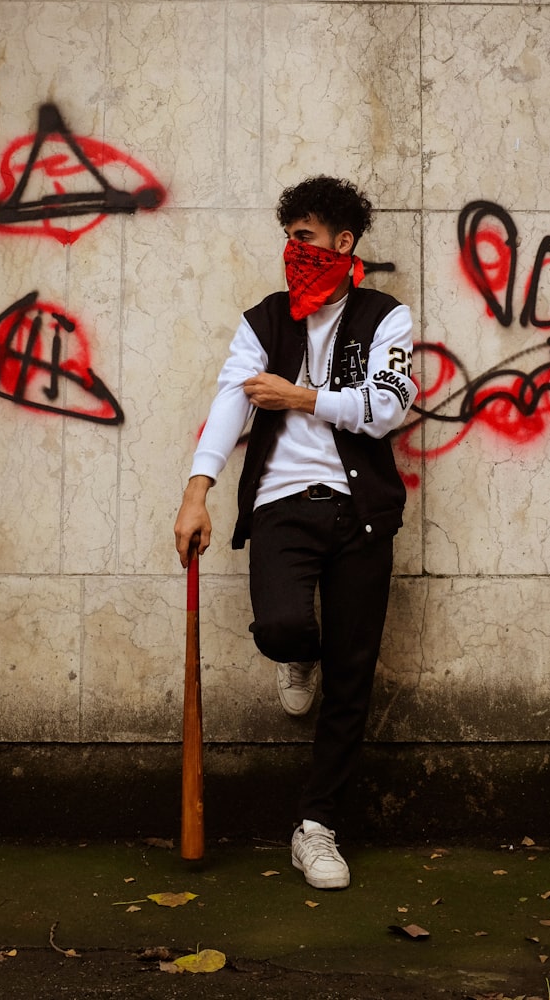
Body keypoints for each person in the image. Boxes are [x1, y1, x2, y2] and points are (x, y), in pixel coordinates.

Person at [174, 175, 417, 890]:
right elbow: (230, 402)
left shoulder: (385, 318)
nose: (293, 250)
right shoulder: (264, 322)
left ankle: (317, 827)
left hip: (362, 512)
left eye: (306, 237)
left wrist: (300, 396)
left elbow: (384, 409)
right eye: (289, 237)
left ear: (344, 244)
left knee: (352, 679)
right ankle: (296, 653)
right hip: (282, 504)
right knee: (282, 625)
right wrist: (198, 493)